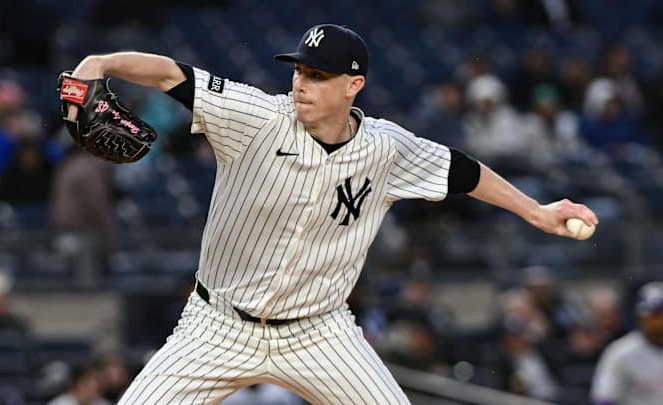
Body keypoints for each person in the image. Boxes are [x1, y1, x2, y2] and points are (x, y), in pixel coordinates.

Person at [61, 23, 598, 404]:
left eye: (318, 75)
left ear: (353, 85)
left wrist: (537, 212)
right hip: (216, 326)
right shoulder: (256, 117)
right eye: (299, 71)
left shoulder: (387, 148)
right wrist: (102, 64)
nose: (300, 83)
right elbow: (167, 75)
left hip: (319, 333)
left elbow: (463, 172)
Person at [590, 281, 663, 405]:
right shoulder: (620, 352)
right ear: (640, 317)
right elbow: (603, 399)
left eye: (660, 316)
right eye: (652, 316)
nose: (657, 322)